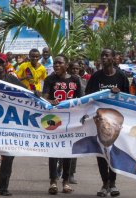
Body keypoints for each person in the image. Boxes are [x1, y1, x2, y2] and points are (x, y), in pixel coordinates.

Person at [84, 48, 130, 197]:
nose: (104, 58)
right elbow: (88, 97)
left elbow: (129, 98)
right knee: (102, 154)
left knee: (113, 152)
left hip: (116, 122)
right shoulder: (96, 77)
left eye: (107, 55)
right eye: (102, 55)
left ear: (113, 58)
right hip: (100, 122)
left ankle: (113, 183)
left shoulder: (121, 77)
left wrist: (120, 94)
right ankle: (105, 184)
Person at [0, 53, 25, 196]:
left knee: (8, 156)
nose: (0, 66)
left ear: (6, 64)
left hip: (10, 123)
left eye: (2, 63)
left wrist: (36, 94)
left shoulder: (12, 79)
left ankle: (3, 187)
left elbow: (25, 92)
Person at [43, 54, 82, 195]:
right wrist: (49, 101)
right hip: (53, 119)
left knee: (67, 152)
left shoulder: (75, 80)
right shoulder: (49, 79)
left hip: (71, 121)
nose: (56, 65)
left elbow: (81, 100)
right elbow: (45, 97)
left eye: (60, 63)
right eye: (55, 63)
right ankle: (53, 181)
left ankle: (65, 182)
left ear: (66, 65)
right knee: (53, 151)